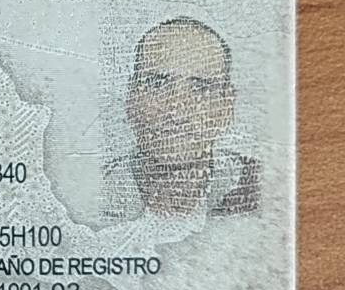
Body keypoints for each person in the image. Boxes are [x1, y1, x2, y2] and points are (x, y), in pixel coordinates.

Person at [102, 16, 259, 219]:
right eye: (157, 84)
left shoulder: (262, 184)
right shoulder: (94, 192)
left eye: (201, 88)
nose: (177, 112)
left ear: (226, 105)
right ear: (131, 98)